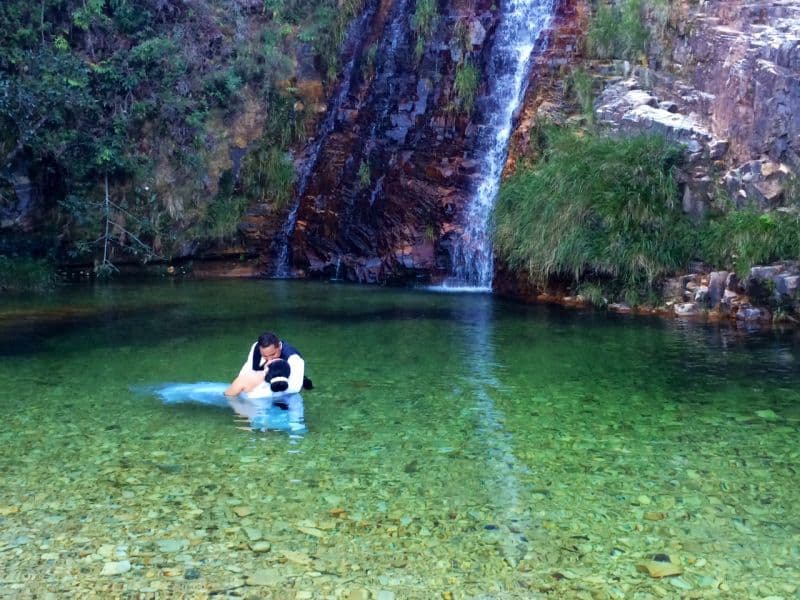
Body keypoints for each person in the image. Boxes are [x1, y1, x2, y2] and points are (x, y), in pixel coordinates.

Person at [225, 331, 306, 396]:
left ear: (278, 346)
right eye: (264, 356)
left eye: (273, 354)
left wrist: (261, 391)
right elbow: (248, 369)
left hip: (286, 388)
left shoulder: (294, 358)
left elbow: (295, 388)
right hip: (264, 380)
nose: (269, 359)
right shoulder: (256, 347)